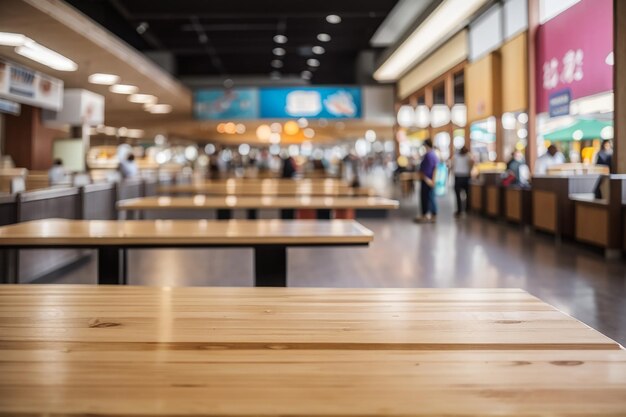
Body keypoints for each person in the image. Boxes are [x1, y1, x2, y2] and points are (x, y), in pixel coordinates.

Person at [415, 139, 438, 223]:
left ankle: (426, 215)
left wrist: (428, 179)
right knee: (431, 197)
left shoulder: (429, 155)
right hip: (430, 179)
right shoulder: (434, 154)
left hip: (427, 179)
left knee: (426, 197)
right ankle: (432, 214)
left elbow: (426, 169)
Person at [452, 146, 473, 217]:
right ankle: (467, 209)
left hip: (458, 176)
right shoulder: (468, 156)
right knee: (467, 194)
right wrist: (470, 171)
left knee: (458, 195)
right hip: (465, 176)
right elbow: (471, 164)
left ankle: (459, 210)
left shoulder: (456, 156)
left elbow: (453, 165)